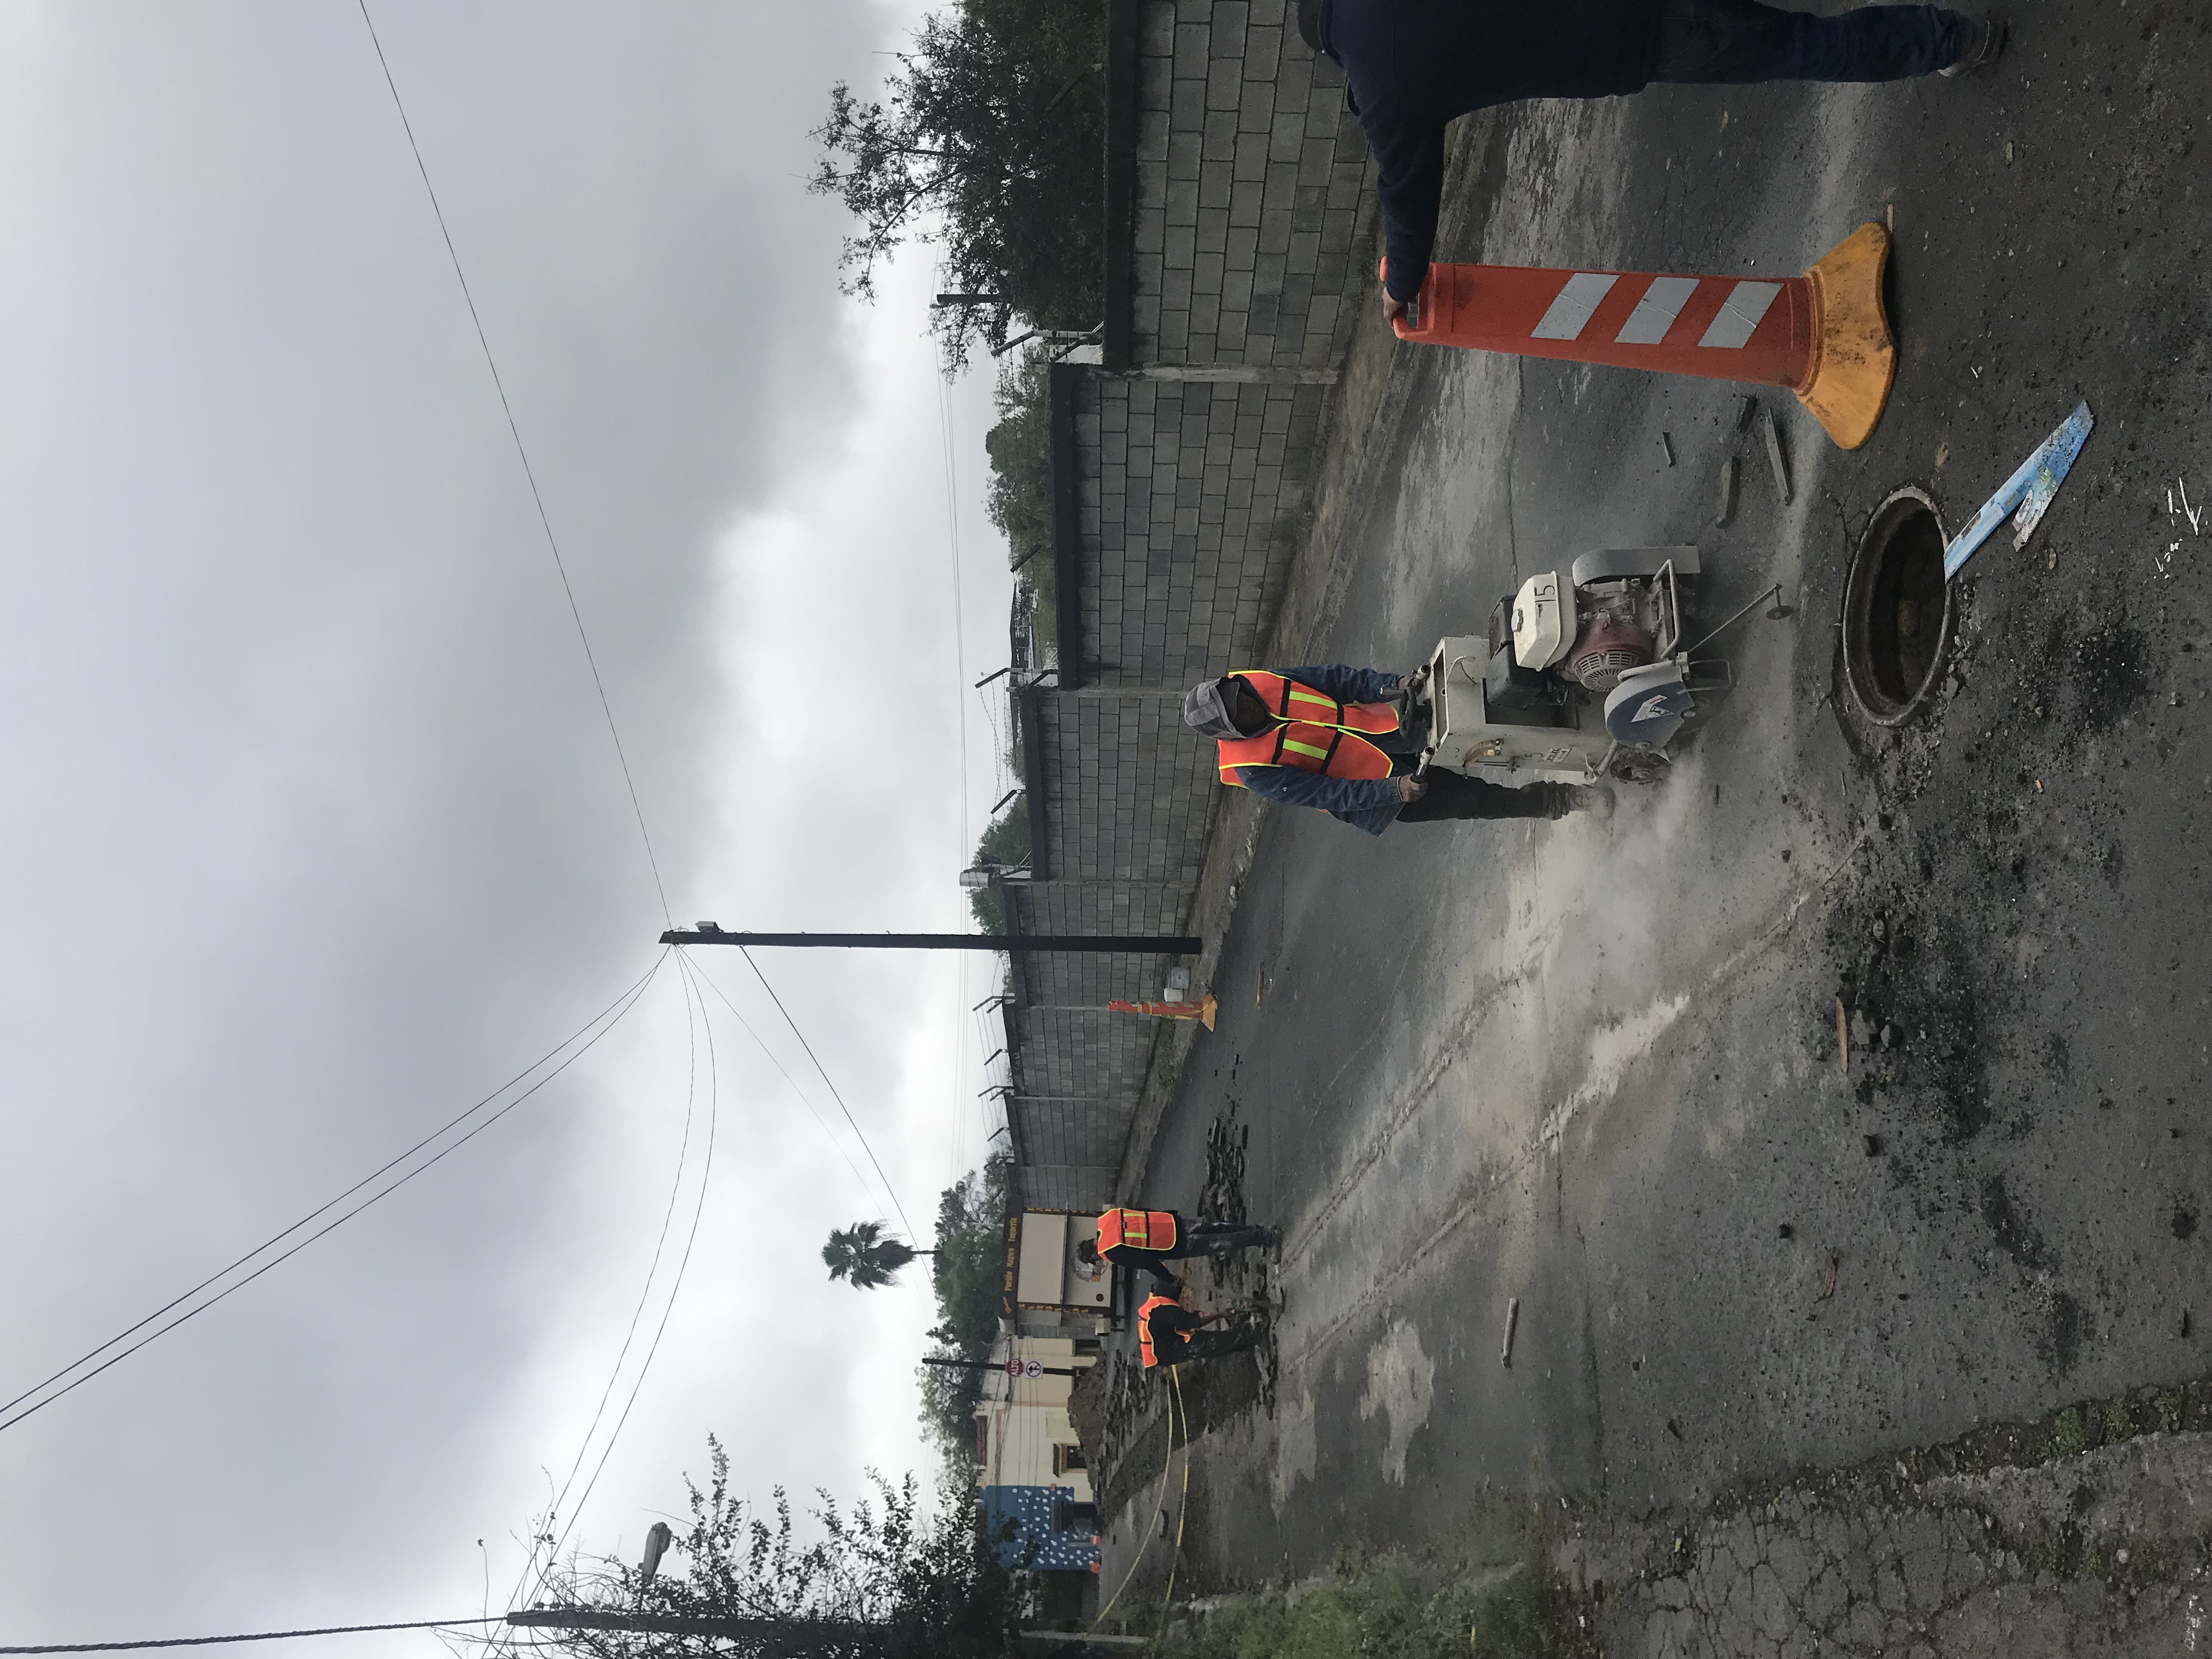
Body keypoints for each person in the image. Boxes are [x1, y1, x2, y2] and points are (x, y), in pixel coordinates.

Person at [1295, 0, 2007, 320]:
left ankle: (1951, 41)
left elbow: (1407, 188)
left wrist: (1404, 283)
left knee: (1794, 45)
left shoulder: (1381, 83)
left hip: (1634, 35)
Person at [1181, 665, 1609, 836]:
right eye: (1242, 709)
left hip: (1388, 731)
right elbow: (1327, 794)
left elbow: (1334, 680)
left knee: (1485, 725)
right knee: (1476, 799)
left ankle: (1580, 731)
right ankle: (1564, 799)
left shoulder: (1259, 681)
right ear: (1231, 729)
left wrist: (1392, 685)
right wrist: (1394, 791)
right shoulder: (1255, 770)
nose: (1251, 701)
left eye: (1241, 694)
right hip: (1380, 789)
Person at [1076, 1206, 1276, 1291]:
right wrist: (1166, 1214)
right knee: (1218, 1228)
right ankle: (1258, 1231)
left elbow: (1146, 1261)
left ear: (1094, 1255)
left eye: (1095, 1259)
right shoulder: (1108, 1218)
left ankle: (1265, 1237)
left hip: (1173, 1244)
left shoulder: (1111, 1251)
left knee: (1220, 1242)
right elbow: (1142, 1211)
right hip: (1172, 1222)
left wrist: (1169, 1279)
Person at [1137, 1292, 1263, 1369]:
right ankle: (1250, 1337)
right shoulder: (1163, 1308)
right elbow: (1194, 1322)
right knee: (1201, 1343)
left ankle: (1243, 1341)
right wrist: (1220, 1314)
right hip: (1163, 1352)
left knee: (1200, 1340)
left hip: (1163, 1339)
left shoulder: (1156, 1303)